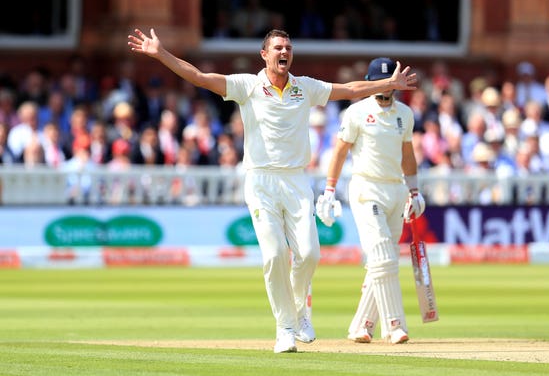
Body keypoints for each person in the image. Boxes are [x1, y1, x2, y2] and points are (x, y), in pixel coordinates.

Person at [127, 28, 417, 353]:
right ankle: (285, 327)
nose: (284, 52)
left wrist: (389, 84)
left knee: (309, 254)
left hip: (295, 180)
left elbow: (350, 88)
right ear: (264, 54)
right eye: (278, 47)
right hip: (260, 180)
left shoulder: (304, 87)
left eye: (288, 47)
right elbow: (198, 76)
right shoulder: (248, 86)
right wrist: (160, 53)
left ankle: (299, 311)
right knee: (276, 254)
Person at [315, 57, 425, 344]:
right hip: (366, 188)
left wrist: (414, 190)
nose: (385, 88)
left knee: (381, 263)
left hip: (395, 191)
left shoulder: (405, 114)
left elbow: (408, 154)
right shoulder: (356, 112)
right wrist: (329, 189)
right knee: (384, 257)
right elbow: (340, 151)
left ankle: (361, 325)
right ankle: (394, 325)